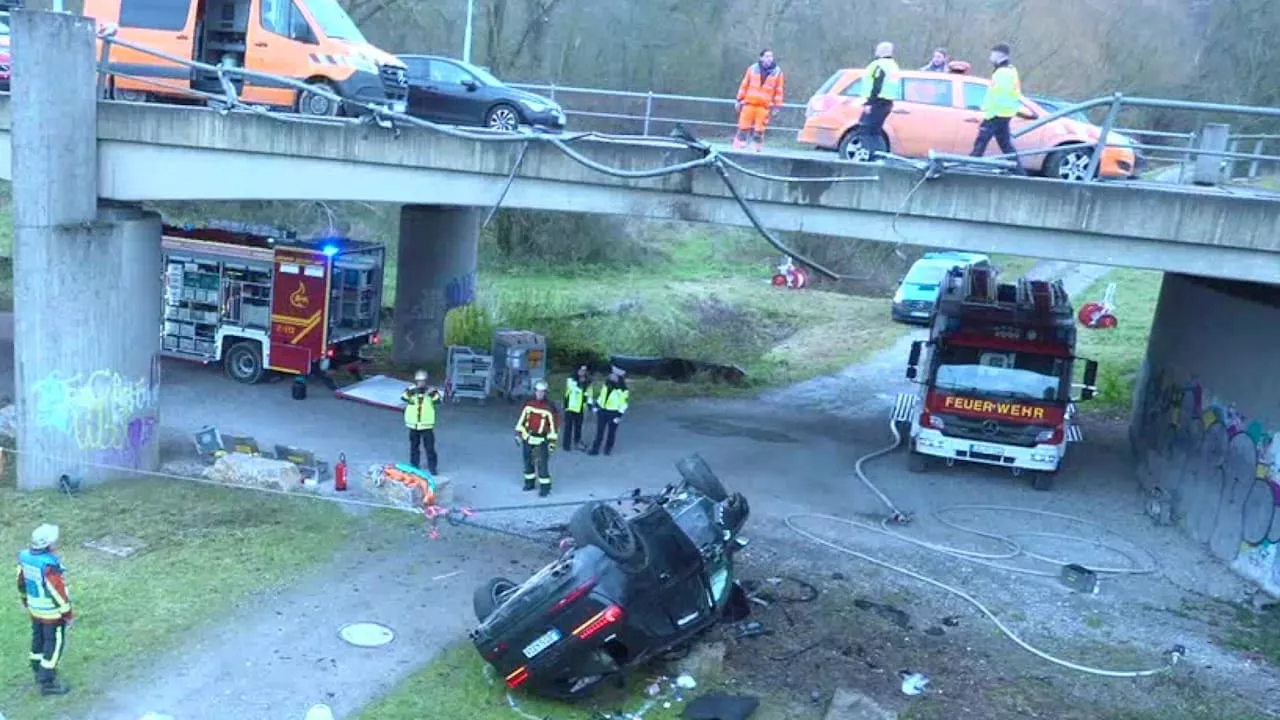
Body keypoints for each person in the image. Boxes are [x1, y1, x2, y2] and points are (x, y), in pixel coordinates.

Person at [17, 524, 72, 696]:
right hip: (52, 614)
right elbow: (56, 591)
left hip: (35, 610)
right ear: (48, 545)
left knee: (38, 641)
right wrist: (67, 613)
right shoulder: (48, 565)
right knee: (53, 645)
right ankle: (47, 682)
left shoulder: (25, 558)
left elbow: (20, 581)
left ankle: (37, 669)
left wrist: (25, 600)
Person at [970, 43, 1035, 175]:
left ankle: (968, 167)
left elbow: (997, 96)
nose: (990, 56)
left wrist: (988, 115)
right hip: (1005, 113)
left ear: (999, 55)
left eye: (992, 54)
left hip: (996, 114)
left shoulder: (1002, 73)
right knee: (1005, 144)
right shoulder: (1011, 70)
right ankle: (1020, 173)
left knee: (981, 142)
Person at [732, 49, 786, 152]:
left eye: (771, 56)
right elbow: (744, 85)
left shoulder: (777, 72)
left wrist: (777, 106)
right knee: (743, 125)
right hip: (749, 103)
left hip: (764, 105)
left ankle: (757, 147)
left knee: (760, 129)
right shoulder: (752, 69)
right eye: (767, 56)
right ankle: (739, 145)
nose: (769, 59)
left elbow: (779, 90)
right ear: (761, 58)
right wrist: (739, 100)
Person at [515, 379, 559, 496]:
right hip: (528, 437)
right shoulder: (529, 404)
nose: (540, 394)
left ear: (545, 393)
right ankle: (529, 483)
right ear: (534, 391)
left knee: (542, 464)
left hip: (542, 440)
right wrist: (518, 435)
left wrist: (552, 442)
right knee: (528, 461)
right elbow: (522, 421)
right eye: (538, 391)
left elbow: (554, 427)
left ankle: (545, 487)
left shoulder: (550, 407)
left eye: (542, 392)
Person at [857, 42, 900, 161]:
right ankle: (878, 156)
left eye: (878, 48)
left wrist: (869, 103)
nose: (876, 50)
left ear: (883, 51)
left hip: (877, 101)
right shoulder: (893, 65)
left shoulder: (879, 65)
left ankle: (873, 156)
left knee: (866, 129)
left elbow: (877, 84)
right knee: (875, 131)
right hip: (887, 102)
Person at [401, 369, 443, 474]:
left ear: (426, 381)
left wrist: (430, 394)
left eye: (423, 381)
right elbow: (403, 397)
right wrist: (413, 392)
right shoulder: (410, 390)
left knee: (430, 448)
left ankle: (432, 468)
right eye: (419, 381)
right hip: (413, 425)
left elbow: (438, 400)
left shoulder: (432, 391)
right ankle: (414, 466)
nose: (421, 383)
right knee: (414, 447)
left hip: (426, 425)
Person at [588, 367, 630, 456]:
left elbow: (624, 404)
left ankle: (608, 449)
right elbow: (601, 397)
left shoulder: (623, 390)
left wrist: (619, 415)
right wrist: (597, 406)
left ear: (618, 377)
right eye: (611, 374)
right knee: (599, 432)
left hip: (614, 413)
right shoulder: (606, 385)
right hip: (603, 411)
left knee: (611, 432)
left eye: (613, 375)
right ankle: (595, 449)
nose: (611, 376)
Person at [562, 365, 592, 451]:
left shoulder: (587, 381)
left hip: (580, 408)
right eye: (581, 370)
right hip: (570, 407)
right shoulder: (571, 379)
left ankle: (578, 442)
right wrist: (583, 384)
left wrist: (589, 403)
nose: (582, 372)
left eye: (584, 370)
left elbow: (590, 393)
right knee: (568, 427)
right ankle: (566, 445)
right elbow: (574, 388)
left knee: (578, 427)